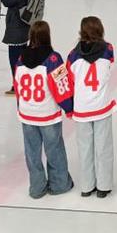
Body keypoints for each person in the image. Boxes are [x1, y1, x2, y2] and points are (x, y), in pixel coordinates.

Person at [15, 20, 74, 198]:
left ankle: (37, 187)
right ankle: (60, 184)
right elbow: (62, 87)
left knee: (32, 153)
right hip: (47, 114)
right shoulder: (53, 59)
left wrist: (21, 107)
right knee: (54, 149)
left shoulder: (20, 59)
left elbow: (17, 85)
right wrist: (69, 107)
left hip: (27, 113)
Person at [67, 16, 116, 198]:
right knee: (103, 148)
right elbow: (108, 66)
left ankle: (87, 186)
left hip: (81, 108)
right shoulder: (108, 49)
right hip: (101, 106)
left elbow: (70, 81)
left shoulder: (72, 56)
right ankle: (103, 186)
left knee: (85, 148)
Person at [0, 0, 42, 94]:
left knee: (14, 58)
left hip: (16, 28)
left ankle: (17, 84)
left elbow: (8, 2)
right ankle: (23, 81)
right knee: (22, 56)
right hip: (25, 25)